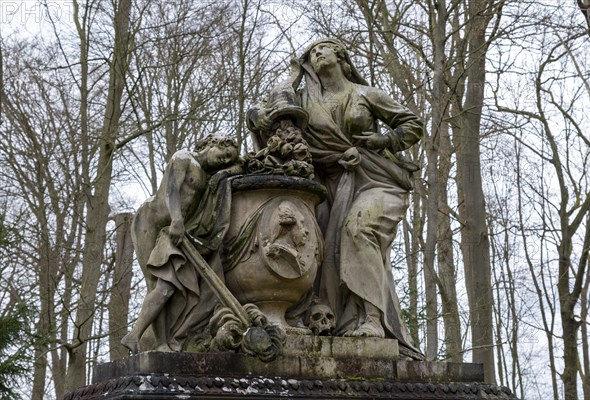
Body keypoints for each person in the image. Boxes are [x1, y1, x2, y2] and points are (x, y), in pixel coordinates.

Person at [249, 38, 424, 359]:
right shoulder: (304, 98)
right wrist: (257, 113)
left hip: (377, 180)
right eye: (312, 52)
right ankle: (334, 318)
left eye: (323, 48)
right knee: (320, 244)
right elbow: (274, 113)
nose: (316, 53)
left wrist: (380, 139)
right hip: (331, 183)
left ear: (341, 57)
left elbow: (412, 124)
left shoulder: (365, 94)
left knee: (358, 230)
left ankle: (372, 320)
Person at [121, 135, 240, 353]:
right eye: (223, 155)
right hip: (151, 222)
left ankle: (156, 340)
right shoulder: (183, 158)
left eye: (227, 160)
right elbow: (171, 189)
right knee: (156, 282)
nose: (224, 161)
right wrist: (176, 219)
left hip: (176, 232)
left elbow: (238, 169)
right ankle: (156, 342)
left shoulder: (208, 176)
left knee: (167, 287)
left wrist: (227, 170)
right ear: (210, 145)